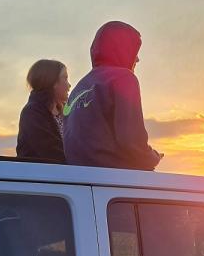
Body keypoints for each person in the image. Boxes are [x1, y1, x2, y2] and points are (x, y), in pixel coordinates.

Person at [62, 21, 162, 170]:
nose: (137, 59)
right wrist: (152, 157)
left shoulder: (79, 87)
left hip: (79, 178)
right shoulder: (123, 78)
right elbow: (131, 141)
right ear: (122, 49)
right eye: (134, 51)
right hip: (112, 179)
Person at [16, 59, 70, 162]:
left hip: (63, 175)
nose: (69, 85)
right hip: (38, 176)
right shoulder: (32, 114)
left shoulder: (65, 112)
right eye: (65, 78)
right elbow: (52, 152)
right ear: (53, 82)